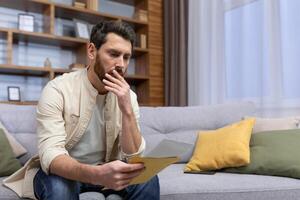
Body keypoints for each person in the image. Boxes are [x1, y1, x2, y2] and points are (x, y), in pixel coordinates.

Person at [32, 20, 160, 200]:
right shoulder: (57, 90)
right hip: (67, 173)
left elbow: (134, 156)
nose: (121, 64)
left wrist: (127, 110)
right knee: (59, 188)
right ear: (91, 51)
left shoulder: (129, 97)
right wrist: (95, 173)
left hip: (110, 171)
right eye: (113, 54)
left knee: (148, 179)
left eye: (126, 57)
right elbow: (51, 154)